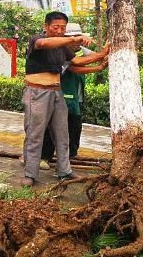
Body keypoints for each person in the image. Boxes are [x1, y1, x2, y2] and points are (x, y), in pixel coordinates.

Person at [22, 12, 109, 186]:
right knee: (35, 134)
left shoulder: (62, 47)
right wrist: (74, 39)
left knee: (62, 134)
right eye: (56, 27)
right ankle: (30, 174)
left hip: (57, 92)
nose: (59, 31)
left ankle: (64, 170)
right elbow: (44, 43)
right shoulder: (37, 40)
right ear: (46, 26)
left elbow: (76, 61)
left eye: (63, 28)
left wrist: (102, 55)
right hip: (37, 93)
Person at [40, 23, 108, 168]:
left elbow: (95, 56)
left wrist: (107, 51)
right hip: (59, 96)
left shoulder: (83, 51)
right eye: (72, 38)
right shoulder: (59, 52)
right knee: (52, 127)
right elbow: (74, 68)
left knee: (74, 127)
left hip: (76, 97)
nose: (76, 41)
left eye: (78, 37)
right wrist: (99, 65)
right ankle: (44, 156)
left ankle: (68, 157)